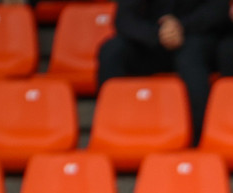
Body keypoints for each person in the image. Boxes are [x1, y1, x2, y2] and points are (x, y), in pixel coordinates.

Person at [96, 0, 225, 144]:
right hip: (150, 41)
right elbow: (124, 19)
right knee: (112, 50)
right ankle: (112, 126)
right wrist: (158, 34)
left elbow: (218, 8)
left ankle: (199, 138)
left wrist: (181, 26)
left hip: (195, 37)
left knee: (192, 58)